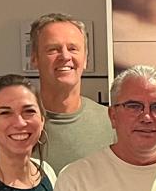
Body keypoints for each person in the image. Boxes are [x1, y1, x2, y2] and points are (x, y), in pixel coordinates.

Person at [30, 12, 114, 173]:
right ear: (35, 58)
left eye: (73, 48)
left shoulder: (111, 122)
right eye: (53, 49)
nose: (65, 56)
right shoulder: (18, 124)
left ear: (86, 59)